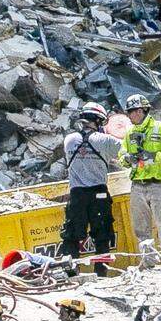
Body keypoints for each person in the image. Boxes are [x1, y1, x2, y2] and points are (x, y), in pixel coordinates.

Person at [61, 103, 122, 274]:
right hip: (99, 194)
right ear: (98, 121)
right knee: (102, 236)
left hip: (77, 195)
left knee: (72, 236)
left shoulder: (69, 140)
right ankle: (100, 274)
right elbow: (126, 150)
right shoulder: (104, 140)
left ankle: (72, 274)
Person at [119, 93, 161, 252]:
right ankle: (148, 262)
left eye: (133, 111)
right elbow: (121, 156)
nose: (130, 115)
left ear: (142, 111)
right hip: (137, 186)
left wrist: (156, 156)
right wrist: (128, 159)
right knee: (141, 227)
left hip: (156, 184)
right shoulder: (130, 132)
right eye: (129, 112)